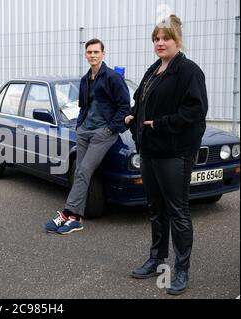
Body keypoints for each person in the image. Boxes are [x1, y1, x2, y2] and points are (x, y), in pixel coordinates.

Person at [125, 15, 208, 296]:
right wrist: (134, 116)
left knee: (178, 212)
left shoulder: (188, 71)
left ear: (177, 40)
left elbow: (195, 112)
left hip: (175, 153)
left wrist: (160, 124)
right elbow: (142, 100)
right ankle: (157, 259)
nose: (160, 43)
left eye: (166, 38)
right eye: (156, 39)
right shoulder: (154, 70)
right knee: (155, 209)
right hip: (149, 151)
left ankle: (181, 269)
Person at [45, 39, 130, 234]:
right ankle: (75, 216)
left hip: (103, 134)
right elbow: (83, 106)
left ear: (103, 54)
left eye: (96, 52)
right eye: (89, 52)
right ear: (86, 55)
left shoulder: (112, 78)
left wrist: (110, 129)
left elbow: (125, 105)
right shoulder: (85, 79)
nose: (92, 55)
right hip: (84, 131)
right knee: (79, 172)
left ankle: (69, 214)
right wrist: (79, 125)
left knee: (83, 170)